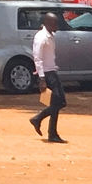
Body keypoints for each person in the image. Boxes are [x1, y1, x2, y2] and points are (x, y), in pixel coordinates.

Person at [28, 9, 66, 143]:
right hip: (47, 74)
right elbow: (37, 58)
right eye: (55, 23)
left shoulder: (50, 36)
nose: (57, 26)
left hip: (52, 72)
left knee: (60, 102)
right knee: (58, 102)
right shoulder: (41, 37)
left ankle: (40, 121)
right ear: (48, 23)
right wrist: (42, 78)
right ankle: (50, 131)